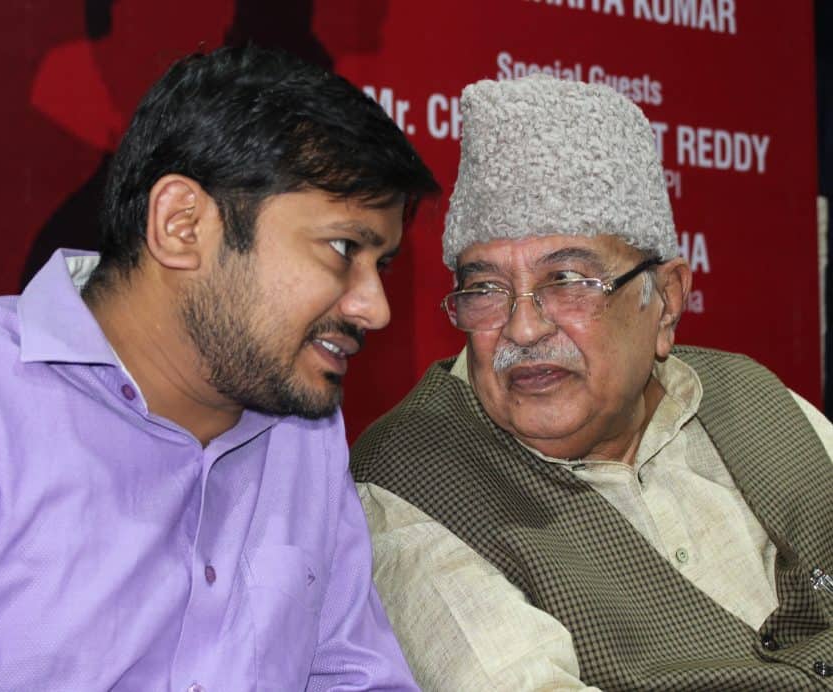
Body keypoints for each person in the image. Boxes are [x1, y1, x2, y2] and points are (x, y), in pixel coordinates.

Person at [0, 45, 438, 690]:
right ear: (181, 224)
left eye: (382, 265)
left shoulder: (302, 434)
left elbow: (353, 675)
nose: (375, 309)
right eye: (343, 248)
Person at [351, 73, 833, 690]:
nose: (523, 328)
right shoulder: (413, 483)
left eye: (568, 281)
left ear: (666, 301)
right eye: (485, 288)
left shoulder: (755, 397)